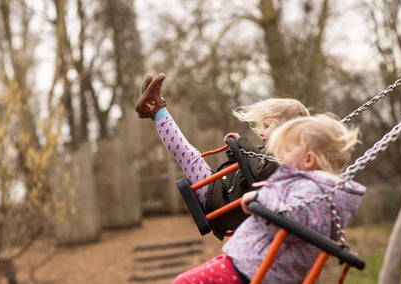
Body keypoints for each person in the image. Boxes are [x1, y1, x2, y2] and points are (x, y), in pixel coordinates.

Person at [172, 113, 367, 284]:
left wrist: (260, 198)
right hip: (254, 265)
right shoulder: (314, 189)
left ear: (308, 159)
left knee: (185, 282)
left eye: (288, 150)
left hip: (254, 268)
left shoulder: (313, 190)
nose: (281, 155)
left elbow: (289, 220)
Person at [135, 72, 310, 239]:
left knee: (188, 155)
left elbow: (260, 171)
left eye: (266, 126)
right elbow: (247, 169)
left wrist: (242, 144)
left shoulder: (284, 162)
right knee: (188, 155)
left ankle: (154, 108)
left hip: (217, 199)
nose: (261, 133)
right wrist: (236, 151)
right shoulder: (272, 156)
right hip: (221, 194)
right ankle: (152, 106)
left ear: (285, 130)